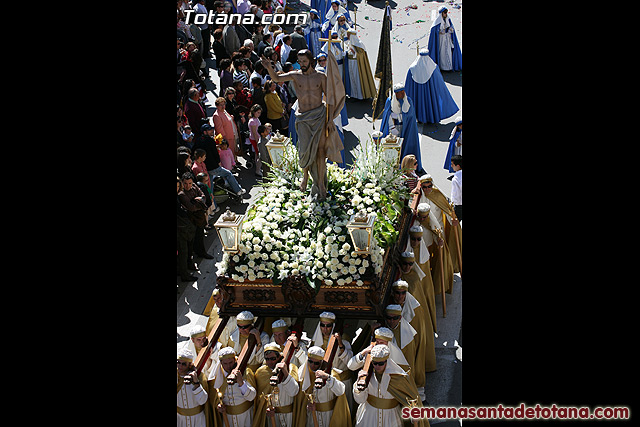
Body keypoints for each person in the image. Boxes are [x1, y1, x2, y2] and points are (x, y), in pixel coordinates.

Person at [262, 49, 345, 200]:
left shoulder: (321, 77)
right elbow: (275, 77)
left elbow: (330, 98)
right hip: (303, 118)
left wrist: (330, 119)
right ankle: (305, 176)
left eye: (304, 62)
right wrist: (269, 67)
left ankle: (320, 183)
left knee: (320, 151)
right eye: (299, 62)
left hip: (319, 116)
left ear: (311, 61)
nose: (302, 64)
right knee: (304, 150)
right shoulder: (295, 75)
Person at [353, 345, 428, 427]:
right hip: (369, 417)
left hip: (391, 418)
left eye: (381, 363)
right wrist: (358, 385)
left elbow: (407, 399)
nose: (377, 366)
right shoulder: (366, 376)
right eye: (375, 363)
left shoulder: (398, 377)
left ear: (387, 361)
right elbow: (360, 400)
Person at [412, 174, 461, 275]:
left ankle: (440, 274)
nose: (427, 189)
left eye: (429, 186)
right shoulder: (418, 197)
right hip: (425, 229)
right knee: (427, 253)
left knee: (440, 252)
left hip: (438, 228)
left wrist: (453, 221)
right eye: (424, 187)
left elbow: (446, 209)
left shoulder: (437, 195)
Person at [309, 311, 355, 413]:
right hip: (323, 383)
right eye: (322, 325)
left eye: (328, 326)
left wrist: (340, 344)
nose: (325, 329)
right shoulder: (314, 343)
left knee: (342, 413)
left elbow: (350, 363)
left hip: (342, 381)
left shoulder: (344, 341)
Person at [297, 345, 352, 427]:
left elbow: (341, 391)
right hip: (312, 415)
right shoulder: (304, 374)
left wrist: (328, 378)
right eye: (310, 361)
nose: (312, 365)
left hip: (328, 416)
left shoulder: (331, 374)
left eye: (316, 363)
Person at [252, 342, 303, 427]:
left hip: (289, 415)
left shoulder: (291, 368)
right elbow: (260, 399)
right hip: (271, 416)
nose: (270, 362)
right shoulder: (261, 372)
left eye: (273, 358)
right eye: (267, 359)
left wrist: (285, 374)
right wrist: (266, 408)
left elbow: (294, 392)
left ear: (279, 357)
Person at [404, 47, 459, 124]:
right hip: (430, 92)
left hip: (418, 92)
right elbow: (439, 82)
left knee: (419, 103)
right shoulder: (433, 67)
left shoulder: (412, 68)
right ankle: (431, 118)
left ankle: (420, 118)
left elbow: (408, 84)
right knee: (430, 103)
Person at [379, 83, 424, 175]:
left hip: (406, 127)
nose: (403, 94)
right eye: (400, 92)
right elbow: (387, 115)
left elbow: (410, 115)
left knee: (406, 145)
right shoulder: (389, 100)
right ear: (396, 94)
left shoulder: (408, 101)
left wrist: (399, 116)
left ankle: (406, 166)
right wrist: (392, 126)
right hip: (394, 128)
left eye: (403, 92)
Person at [208, 346, 258, 427]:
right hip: (228, 418)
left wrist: (241, 383)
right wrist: (219, 407)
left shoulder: (246, 372)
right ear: (221, 363)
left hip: (245, 417)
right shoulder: (216, 376)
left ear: (235, 360)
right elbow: (214, 400)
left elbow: (252, 397)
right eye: (225, 364)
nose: (228, 366)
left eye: (231, 362)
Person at [194, 123, 246, 196]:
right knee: (228, 174)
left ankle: (213, 206)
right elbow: (215, 154)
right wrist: (218, 162)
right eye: (209, 130)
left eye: (211, 129)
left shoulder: (198, 140)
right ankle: (238, 190)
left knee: (210, 186)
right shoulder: (210, 140)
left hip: (205, 167)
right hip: (213, 166)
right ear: (204, 132)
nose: (212, 131)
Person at [179, 173, 214, 259]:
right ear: (182, 183)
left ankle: (201, 252)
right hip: (190, 219)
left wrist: (198, 200)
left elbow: (203, 196)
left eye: (190, 183)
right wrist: (199, 202)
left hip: (199, 217)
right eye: (185, 183)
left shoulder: (194, 186)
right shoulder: (182, 194)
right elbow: (191, 207)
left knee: (200, 236)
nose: (188, 186)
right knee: (192, 239)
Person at [177, 347, 212, 427]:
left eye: (183, 364)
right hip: (180, 420)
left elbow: (203, 400)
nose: (180, 366)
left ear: (189, 365)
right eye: (178, 362)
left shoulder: (199, 377)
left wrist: (196, 383)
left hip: (198, 420)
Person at [427, 6, 462, 71]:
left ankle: (449, 67)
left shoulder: (448, 19)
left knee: (449, 52)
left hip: (447, 39)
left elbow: (450, 26)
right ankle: (443, 67)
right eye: (445, 12)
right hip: (441, 40)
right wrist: (439, 32)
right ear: (441, 13)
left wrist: (451, 30)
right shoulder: (437, 22)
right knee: (442, 53)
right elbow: (434, 31)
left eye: (446, 12)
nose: (446, 14)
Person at [344, 29, 376, 100]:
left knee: (358, 79)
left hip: (357, 65)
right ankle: (353, 95)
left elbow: (361, 55)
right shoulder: (349, 43)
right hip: (350, 63)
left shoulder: (359, 44)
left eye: (349, 35)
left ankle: (360, 96)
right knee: (352, 79)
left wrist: (354, 52)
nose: (348, 36)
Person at [177, 176, 197, 282]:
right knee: (183, 251)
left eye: (178, 186)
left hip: (181, 227)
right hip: (180, 229)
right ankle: (184, 274)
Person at [212, 96, 239, 163]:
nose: (223, 106)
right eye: (221, 105)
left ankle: (233, 162)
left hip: (232, 134)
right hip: (227, 137)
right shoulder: (217, 115)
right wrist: (225, 140)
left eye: (224, 104)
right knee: (227, 153)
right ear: (217, 106)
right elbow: (219, 129)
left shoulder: (224, 111)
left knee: (233, 151)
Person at [248, 104, 263, 176]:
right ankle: (257, 170)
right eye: (258, 112)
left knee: (257, 155)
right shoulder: (252, 121)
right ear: (254, 112)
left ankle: (258, 168)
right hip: (255, 139)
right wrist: (258, 142)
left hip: (257, 138)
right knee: (259, 155)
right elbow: (254, 133)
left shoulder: (256, 119)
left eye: (260, 112)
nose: (259, 114)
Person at [450, 155, 462, 222]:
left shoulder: (456, 179)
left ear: (458, 166)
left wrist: (452, 206)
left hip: (459, 206)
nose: (451, 166)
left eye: (452, 164)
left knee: (457, 227)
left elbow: (456, 195)